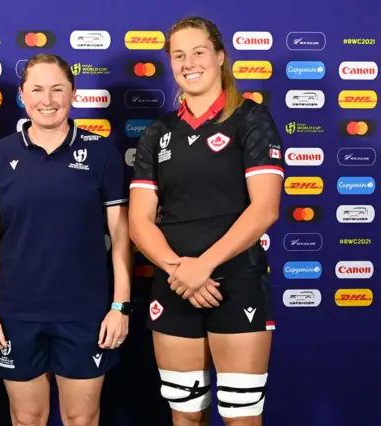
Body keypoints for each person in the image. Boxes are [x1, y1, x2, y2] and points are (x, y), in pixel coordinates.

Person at [128, 17, 284, 426]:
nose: (188, 62)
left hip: (236, 283)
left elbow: (265, 208)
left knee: (241, 419)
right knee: (185, 418)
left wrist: (203, 266)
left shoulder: (251, 119)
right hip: (175, 283)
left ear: (219, 57)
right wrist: (180, 270)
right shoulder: (157, 132)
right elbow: (140, 220)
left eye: (198, 52)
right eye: (178, 55)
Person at [0, 53, 132, 426]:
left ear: (73, 93)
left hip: (85, 312)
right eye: (38, 90)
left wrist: (120, 306)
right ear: (23, 96)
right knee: (28, 417)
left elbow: (122, 235)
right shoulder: (0, 154)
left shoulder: (100, 152)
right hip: (17, 312)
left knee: (81, 418)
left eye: (57, 89)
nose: (47, 100)